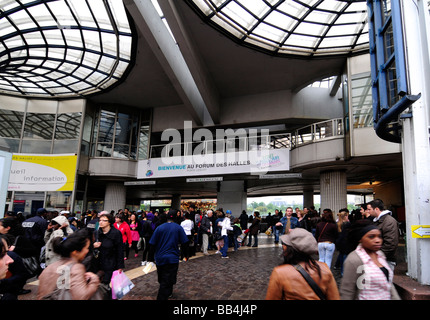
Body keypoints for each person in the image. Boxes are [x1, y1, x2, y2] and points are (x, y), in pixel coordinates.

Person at [265, 228, 340, 300]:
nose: (283, 246)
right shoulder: (324, 268)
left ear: (289, 248)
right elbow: (334, 297)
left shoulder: (280, 272)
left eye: (284, 244)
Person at [340, 220, 400, 300]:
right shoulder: (354, 260)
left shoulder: (380, 255)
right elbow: (347, 291)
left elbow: (388, 284)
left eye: (379, 236)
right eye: (371, 237)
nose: (377, 240)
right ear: (360, 239)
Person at [37, 229, 101, 300]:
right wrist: (94, 279)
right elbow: (82, 297)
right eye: (86, 248)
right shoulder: (76, 267)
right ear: (75, 252)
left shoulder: (50, 267)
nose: (87, 251)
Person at [149, 209, 189, 300]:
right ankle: (163, 296)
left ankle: (168, 292)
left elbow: (152, 244)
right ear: (176, 217)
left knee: (162, 277)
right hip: (172, 258)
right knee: (169, 279)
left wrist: (150, 259)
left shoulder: (160, 227)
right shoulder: (178, 228)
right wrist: (186, 255)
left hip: (160, 258)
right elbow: (185, 243)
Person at [367, 199, 399, 271]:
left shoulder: (389, 221)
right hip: (379, 258)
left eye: (369, 209)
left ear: (376, 209)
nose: (368, 211)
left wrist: (376, 255)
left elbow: (390, 244)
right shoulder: (377, 220)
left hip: (386, 259)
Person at [93, 213, 124, 286]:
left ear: (109, 222)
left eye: (104, 220)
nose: (101, 222)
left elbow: (120, 250)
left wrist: (120, 266)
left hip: (110, 264)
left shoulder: (116, 233)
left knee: (106, 285)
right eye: (100, 220)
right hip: (97, 264)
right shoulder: (96, 232)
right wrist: (93, 246)